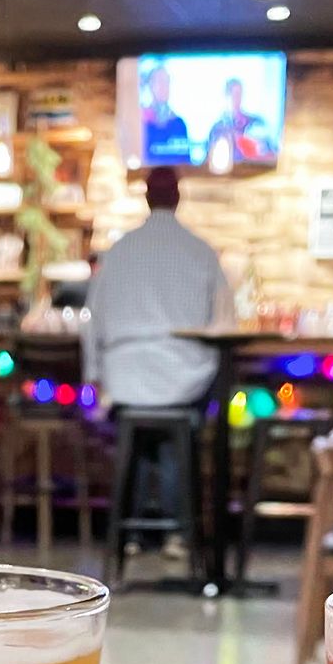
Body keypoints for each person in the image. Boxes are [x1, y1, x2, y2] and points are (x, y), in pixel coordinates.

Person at [83, 168, 232, 550]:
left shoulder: (119, 251)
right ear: (178, 197)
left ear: (146, 197)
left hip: (125, 380)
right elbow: (225, 323)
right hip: (184, 380)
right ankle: (177, 533)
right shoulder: (200, 251)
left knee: (137, 436)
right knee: (178, 434)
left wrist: (95, 377)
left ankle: (130, 535)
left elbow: (91, 321)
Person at [206, 78, 273, 165]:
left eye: (239, 94)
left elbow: (270, 154)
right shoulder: (217, 128)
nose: (237, 99)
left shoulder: (257, 122)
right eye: (234, 94)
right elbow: (209, 161)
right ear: (226, 96)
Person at [141, 66, 189, 161]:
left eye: (167, 82)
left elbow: (186, 161)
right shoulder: (142, 122)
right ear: (151, 86)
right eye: (160, 82)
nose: (164, 87)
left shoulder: (179, 123)